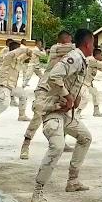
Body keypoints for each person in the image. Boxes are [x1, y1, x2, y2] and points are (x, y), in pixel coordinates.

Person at [30, 29, 96, 202]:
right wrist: (67, 96)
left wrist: (74, 98)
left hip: (65, 113)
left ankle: (73, 181)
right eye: (93, 43)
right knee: (57, 146)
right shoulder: (74, 57)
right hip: (52, 110)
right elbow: (54, 75)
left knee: (85, 137)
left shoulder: (82, 59)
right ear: (88, 43)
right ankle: (38, 192)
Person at [20, 32, 74, 160]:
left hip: (59, 90)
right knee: (38, 114)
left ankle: (62, 141)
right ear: (61, 41)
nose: (70, 43)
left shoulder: (71, 56)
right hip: (45, 88)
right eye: (68, 40)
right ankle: (26, 144)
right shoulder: (56, 49)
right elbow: (73, 48)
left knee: (66, 115)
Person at [0, 41, 31, 125]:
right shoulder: (7, 56)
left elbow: (28, 55)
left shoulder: (17, 59)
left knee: (24, 95)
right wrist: (24, 49)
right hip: (3, 86)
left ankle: (21, 115)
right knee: (5, 104)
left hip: (12, 86)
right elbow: (17, 52)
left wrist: (29, 52)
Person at [77, 48, 102, 118]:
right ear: (97, 54)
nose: (101, 57)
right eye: (101, 55)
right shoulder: (91, 60)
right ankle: (77, 113)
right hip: (82, 82)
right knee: (85, 98)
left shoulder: (95, 62)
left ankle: (96, 111)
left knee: (95, 94)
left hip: (88, 82)